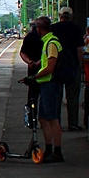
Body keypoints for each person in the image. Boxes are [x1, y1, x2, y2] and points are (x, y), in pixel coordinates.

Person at [30, 16, 64, 163]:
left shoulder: (51, 43)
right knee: (43, 118)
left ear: (39, 29)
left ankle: (57, 152)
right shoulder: (47, 42)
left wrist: (34, 76)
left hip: (51, 84)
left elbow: (50, 67)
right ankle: (49, 148)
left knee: (52, 118)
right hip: (45, 84)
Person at [52, 6, 85, 131]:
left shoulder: (53, 28)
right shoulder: (76, 29)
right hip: (72, 67)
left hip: (56, 67)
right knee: (73, 97)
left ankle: (57, 124)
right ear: (71, 17)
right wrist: (80, 66)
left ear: (60, 16)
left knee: (56, 97)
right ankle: (73, 123)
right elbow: (79, 50)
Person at [19, 20, 42, 115]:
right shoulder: (50, 38)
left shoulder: (29, 37)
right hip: (48, 72)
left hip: (33, 71)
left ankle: (32, 118)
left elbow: (22, 53)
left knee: (33, 95)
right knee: (48, 98)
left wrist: (29, 62)